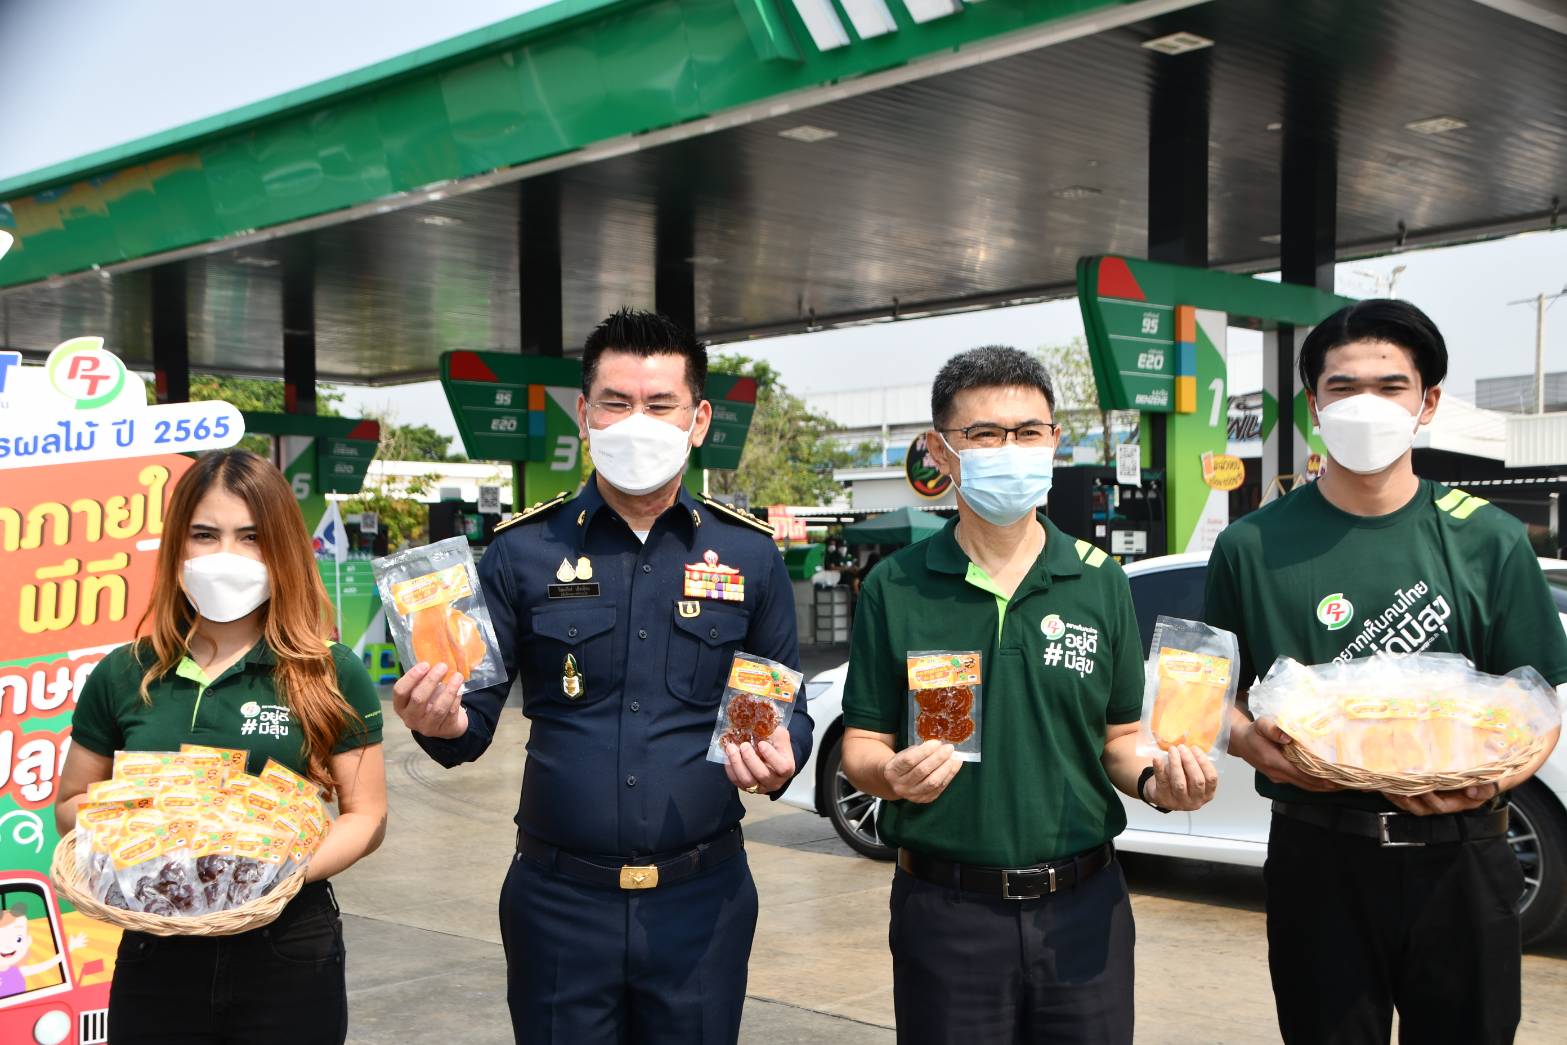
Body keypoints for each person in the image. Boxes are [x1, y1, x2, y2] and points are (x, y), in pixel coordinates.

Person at [392, 308, 810, 1044]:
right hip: (558, 905)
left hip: (701, 901)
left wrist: (784, 754)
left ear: (699, 418)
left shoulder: (749, 557)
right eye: (615, 402)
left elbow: (785, 703)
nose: (635, 422)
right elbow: (472, 714)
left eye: (659, 404)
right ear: (583, 414)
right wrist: (441, 719)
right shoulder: (520, 551)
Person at [1205, 299, 1567, 1045]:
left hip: (1462, 856)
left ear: (1426, 401)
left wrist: (1491, 780)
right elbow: (1211, 696)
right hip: (1318, 855)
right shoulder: (1250, 544)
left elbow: (1536, 706)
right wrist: (1248, 743)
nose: (1363, 404)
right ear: (1313, 405)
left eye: (1389, 385)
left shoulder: (1487, 540)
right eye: (1341, 387)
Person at [839, 345, 1217, 1045]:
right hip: (944, 910)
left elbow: (1119, 738)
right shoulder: (898, 585)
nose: (1008, 449)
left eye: (1029, 431)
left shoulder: (1099, 579)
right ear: (939, 451)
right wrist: (887, 775)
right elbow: (861, 742)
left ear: (1053, 442)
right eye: (983, 434)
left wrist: (1160, 781)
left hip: (1082, 908)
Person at [55, 449, 388, 1045]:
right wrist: (152, 827)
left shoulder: (330, 672)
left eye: (251, 537)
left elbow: (366, 816)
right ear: (177, 546)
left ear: (282, 547)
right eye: (205, 535)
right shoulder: (123, 672)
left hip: (287, 945)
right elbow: (71, 802)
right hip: (155, 944)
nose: (225, 556)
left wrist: (268, 874)